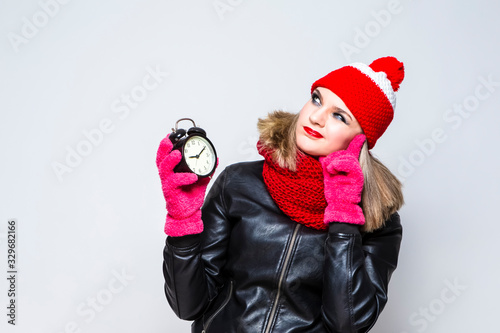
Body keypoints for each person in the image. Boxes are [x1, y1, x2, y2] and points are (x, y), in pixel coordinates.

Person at [157, 56, 405, 332]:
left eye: (339, 116)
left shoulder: (378, 219)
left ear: (361, 141)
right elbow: (188, 306)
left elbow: (348, 324)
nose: (316, 116)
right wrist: (183, 222)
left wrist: (344, 217)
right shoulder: (238, 183)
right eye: (317, 99)